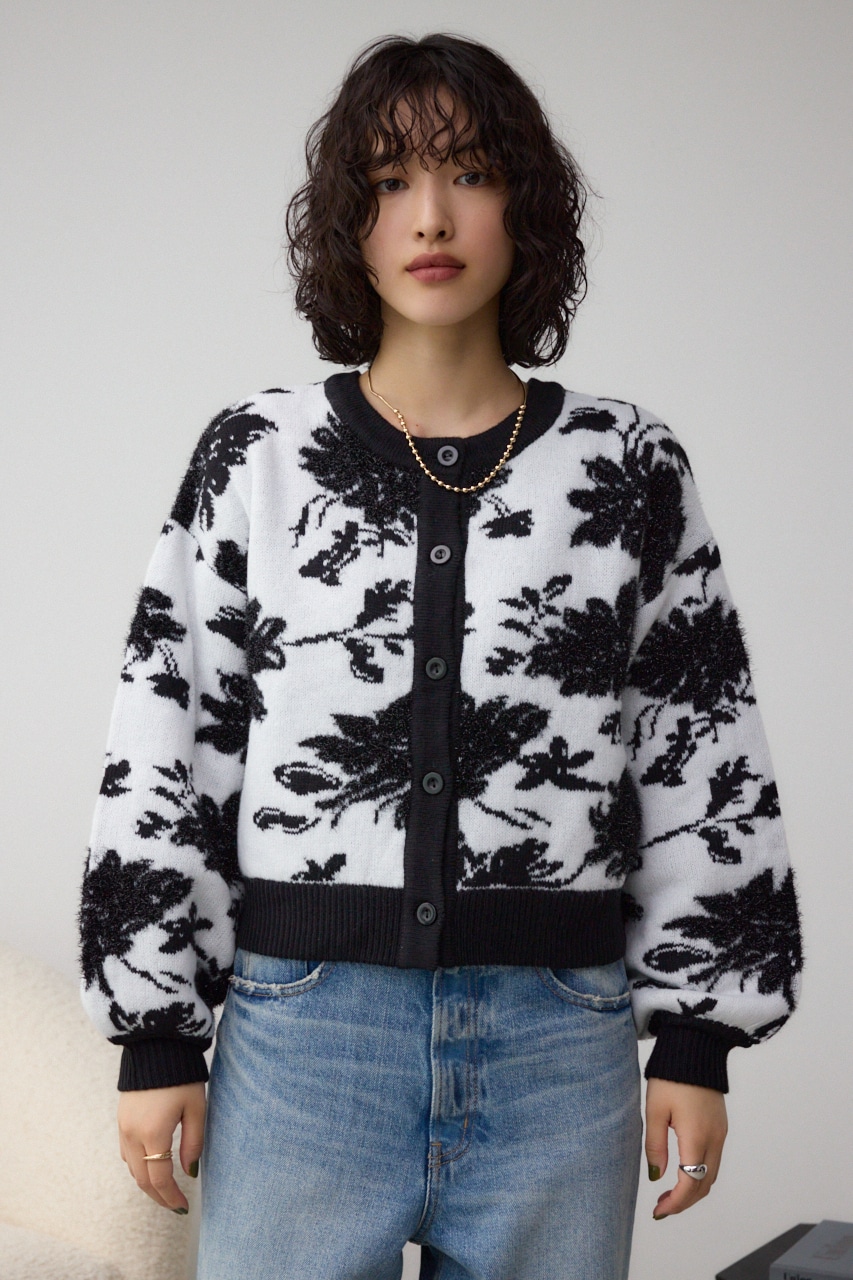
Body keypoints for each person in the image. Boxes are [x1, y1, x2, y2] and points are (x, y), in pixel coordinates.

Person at [77, 32, 803, 1280]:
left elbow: (697, 741)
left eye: (469, 173)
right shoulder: (257, 456)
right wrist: (156, 1035)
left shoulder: (626, 465)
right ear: (346, 225)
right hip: (303, 1041)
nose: (429, 216)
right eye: (388, 182)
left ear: (527, 206)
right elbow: (169, 730)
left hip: (557, 1045)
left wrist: (698, 1038)